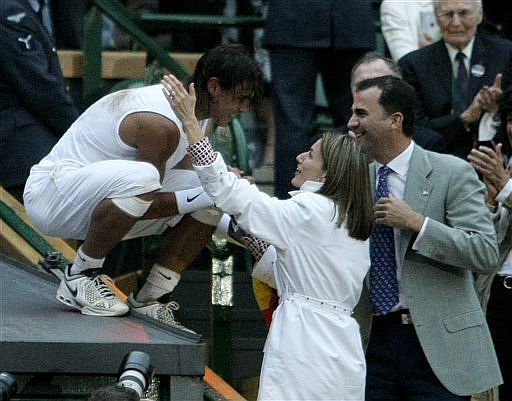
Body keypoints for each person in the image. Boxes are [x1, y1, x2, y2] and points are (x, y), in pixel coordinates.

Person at [23, 44, 262, 334]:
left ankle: (152, 297)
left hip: (97, 204)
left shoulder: (201, 121)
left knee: (209, 184)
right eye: (240, 98)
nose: (244, 108)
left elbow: (194, 199)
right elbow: (151, 201)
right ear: (214, 87)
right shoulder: (159, 124)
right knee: (154, 178)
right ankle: (80, 275)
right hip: (51, 198)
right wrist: (218, 192)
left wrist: (244, 222)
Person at [162, 73, 373, 400]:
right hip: (343, 348)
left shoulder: (310, 209)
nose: (300, 158)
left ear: (327, 174)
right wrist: (230, 223)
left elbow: (234, 195)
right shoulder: (347, 215)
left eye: (310, 156)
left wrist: (191, 124)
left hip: (305, 344)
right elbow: (294, 267)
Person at [348, 75, 501, 400]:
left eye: (361, 113)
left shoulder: (452, 172)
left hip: (438, 347)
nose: (351, 123)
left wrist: (418, 223)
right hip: (372, 341)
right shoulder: (355, 179)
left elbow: (485, 252)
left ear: (395, 120)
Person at [263, 0, 376, 198]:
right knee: (355, 118)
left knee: (295, 122)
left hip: (295, 19)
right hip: (349, 17)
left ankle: (289, 205)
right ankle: (358, 203)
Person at [398, 0, 512, 159]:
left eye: (464, 13)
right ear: (436, 18)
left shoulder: (505, 54)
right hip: (436, 157)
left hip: (494, 155)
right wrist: (463, 119)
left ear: (479, 15)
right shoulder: (413, 65)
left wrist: (499, 104)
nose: (456, 23)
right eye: (447, 14)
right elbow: (415, 128)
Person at [0, 0, 80, 201]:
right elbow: (40, 88)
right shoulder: (9, 11)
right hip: (22, 151)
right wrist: (80, 131)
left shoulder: (28, 8)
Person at [469, 86, 512, 401]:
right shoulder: (506, 166)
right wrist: (491, 200)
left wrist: (506, 187)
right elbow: (489, 239)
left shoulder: (505, 175)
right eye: (510, 119)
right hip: (498, 293)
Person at [351, 51, 448, 153]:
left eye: (380, 84)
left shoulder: (427, 143)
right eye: (362, 85)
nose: (369, 91)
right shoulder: (340, 140)